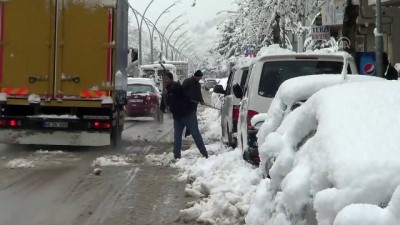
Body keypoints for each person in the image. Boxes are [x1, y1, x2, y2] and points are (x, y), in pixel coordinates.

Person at [160, 71, 208, 159]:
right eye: (163, 79)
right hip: (178, 117)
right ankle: (176, 156)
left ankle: (205, 154)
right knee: (177, 137)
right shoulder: (166, 90)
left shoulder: (176, 86)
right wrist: (162, 107)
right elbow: (165, 101)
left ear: (171, 79)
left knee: (195, 134)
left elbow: (175, 90)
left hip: (188, 114)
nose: (164, 81)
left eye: (166, 79)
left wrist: (167, 91)